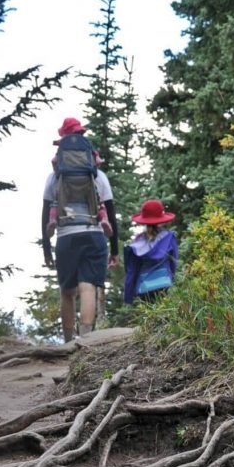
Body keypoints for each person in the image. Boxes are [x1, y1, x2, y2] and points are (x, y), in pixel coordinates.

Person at [42, 117, 118, 342]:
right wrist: (114, 249)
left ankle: (67, 343)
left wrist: (47, 249)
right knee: (88, 287)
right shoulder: (99, 176)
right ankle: (86, 341)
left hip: (66, 237)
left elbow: (45, 215)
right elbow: (111, 214)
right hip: (94, 234)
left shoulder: (54, 178)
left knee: (67, 291)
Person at [123, 199, 178, 304]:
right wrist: (173, 279)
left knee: (149, 317)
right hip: (164, 283)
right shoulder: (169, 238)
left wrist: (128, 297)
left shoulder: (137, 243)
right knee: (164, 315)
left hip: (144, 288)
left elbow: (132, 271)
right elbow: (173, 263)